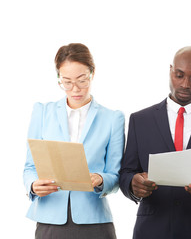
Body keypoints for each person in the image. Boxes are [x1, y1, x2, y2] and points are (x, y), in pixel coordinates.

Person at [119, 46, 191, 239]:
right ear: (170, 71)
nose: (185, 84)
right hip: (150, 230)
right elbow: (125, 172)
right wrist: (133, 185)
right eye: (179, 75)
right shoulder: (140, 121)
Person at [23, 43, 125, 239]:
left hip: (94, 221)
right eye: (67, 82)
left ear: (92, 74)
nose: (75, 89)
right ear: (58, 78)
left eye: (82, 80)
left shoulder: (113, 118)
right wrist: (33, 185)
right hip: (50, 219)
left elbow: (115, 174)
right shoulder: (42, 112)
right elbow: (29, 167)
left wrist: (101, 179)